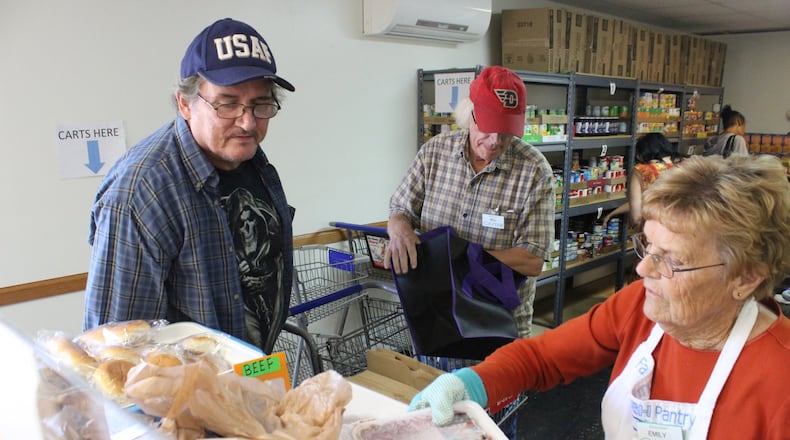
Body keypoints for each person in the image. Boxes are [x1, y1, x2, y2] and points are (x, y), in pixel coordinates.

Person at [409, 154, 790, 439]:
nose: (643, 271)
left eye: (671, 261)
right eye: (648, 247)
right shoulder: (638, 307)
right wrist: (469, 383)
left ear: (745, 277)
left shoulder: (780, 381)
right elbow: (542, 358)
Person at [83, 18, 295, 354]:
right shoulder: (142, 191)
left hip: (247, 373)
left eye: (261, 104)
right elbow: (115, 349)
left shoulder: (250, 159)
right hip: (185, 397)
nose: (248, 121)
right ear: (185, 103)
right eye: (227, 103)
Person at [385, 66, 555, 338]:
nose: (494, 142)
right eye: (487, 128)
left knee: (496, 381)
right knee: (436, 381)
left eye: (506, 132)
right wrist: (399, 228)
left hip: (497, 322)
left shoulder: (534, 171)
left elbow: (533, 259)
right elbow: (401, 209)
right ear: (469, 114)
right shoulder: (435, 152)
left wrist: (460, 261)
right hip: (435, 313)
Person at [602, 132, 687, 230]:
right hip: (687, 230)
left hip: (659, 231)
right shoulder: (684, 164)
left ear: (643, 153)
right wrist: (612, 213)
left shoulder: (641, 170)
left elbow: (636, 217)